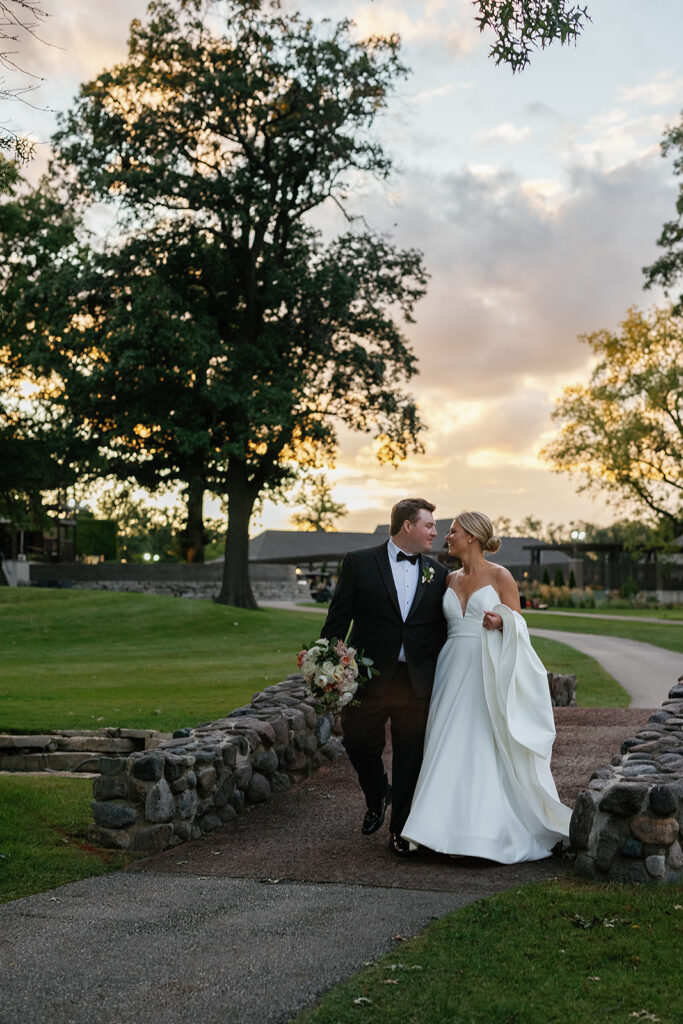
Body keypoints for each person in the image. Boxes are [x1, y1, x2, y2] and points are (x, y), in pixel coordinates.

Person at [402, 511, 571, 863]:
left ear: (473, 538)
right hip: (451, 669)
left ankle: (482, 834)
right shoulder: (447, 580)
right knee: (446, 742)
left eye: (453, 532)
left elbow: (520, 626)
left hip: (485, 668)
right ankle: (434, 832)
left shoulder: (501, 575)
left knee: (481, 741)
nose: (446, 537)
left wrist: (501, 621)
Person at [320, 498, 449, 855]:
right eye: (429, 525)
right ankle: (377, 792)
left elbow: (442, 627)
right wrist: (328, 663)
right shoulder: (360, 562)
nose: (435, 532)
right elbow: (339, 616)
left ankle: (401, 831)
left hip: (416, 681)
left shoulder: (438, 573)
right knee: (359, 742)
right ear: (407, 526)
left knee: (411, 755)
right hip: (368, 676)